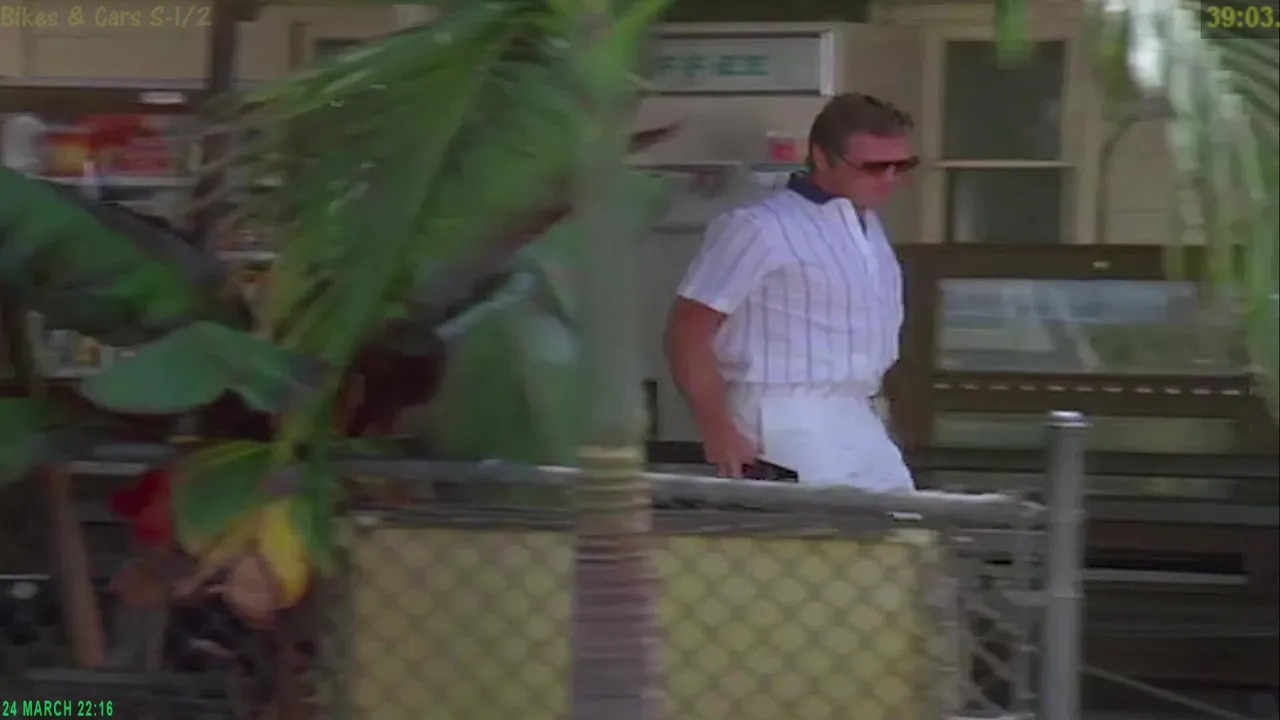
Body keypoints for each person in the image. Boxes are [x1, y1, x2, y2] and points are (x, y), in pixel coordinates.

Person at [665, 92, 918, 490]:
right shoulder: (758, 227)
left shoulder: (868, 227)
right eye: (872, 167)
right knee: (823, 525)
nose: (889, 179)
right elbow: (689, 328)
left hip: (857, 411)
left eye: (901, 166)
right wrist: (717, 427)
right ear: (822, 157)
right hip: (781, 412)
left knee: (904, 521)